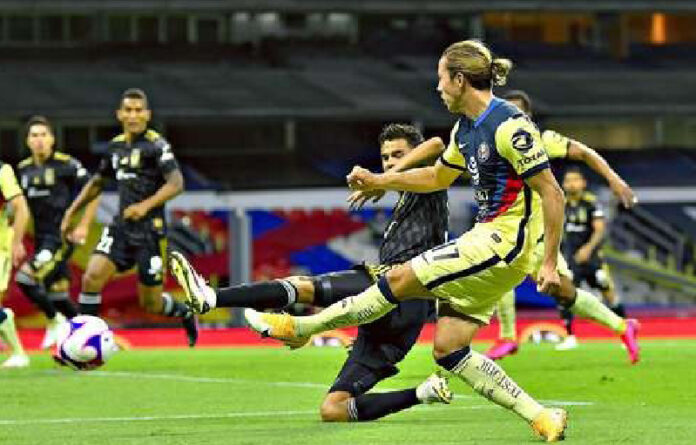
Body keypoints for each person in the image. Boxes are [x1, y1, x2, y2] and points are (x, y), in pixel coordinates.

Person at [243, 40, 570, 441]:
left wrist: (550, 262)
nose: (437, 88)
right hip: (491, 244)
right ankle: (541, 416)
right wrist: (382, 180)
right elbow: (436, 177)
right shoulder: (464, 130)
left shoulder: (509, 124)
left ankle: (304, 326)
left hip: (503, 242)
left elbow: (553, 193)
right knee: (449, 349)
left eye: (441, 79)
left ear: (460, 80)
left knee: (398, 279)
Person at [170, 123, 453, 422]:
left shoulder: (431, 184)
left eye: (398, 154)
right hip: (398, 324)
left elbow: (435, 143)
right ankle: (423, 393)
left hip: (401, 291)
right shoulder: (407, 197)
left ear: (415, 157)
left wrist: (380, 179)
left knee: (304, 287)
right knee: (333, 409)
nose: (391, 162)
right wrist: (384, 181)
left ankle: (214, 298)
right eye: (385, 158)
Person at [485, 90, 638, 359]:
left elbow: (585, 153)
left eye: (517, 112)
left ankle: (622, 325)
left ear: (528, 117)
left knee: (564, 292)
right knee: (499, 272)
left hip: (537, 232)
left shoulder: (542, 140)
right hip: (511, 228)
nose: (509, 117)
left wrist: (613, 179)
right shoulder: (494, 144)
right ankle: (507, 337)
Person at [61, 88, 197, 346]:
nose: (133, 115)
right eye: (128, 110)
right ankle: (83, 343)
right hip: (121, 228)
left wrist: (145, 206)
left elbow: (176, 183)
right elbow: (97, 182)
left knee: (152, 303)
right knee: (91, 277)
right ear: (119, 114)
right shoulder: (115, 147)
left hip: (150, 232)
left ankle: (184, 312)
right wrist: (71, 212)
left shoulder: (157, 145)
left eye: (138, 110)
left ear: (147, 114)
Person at [15, 116, 99, 349]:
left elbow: (96, 188)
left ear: (52, 139)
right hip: (41, 239)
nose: (39, 140)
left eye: (43, 135)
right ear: (27, 141)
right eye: (34, 135)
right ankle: (90, 337)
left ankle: (55, 322)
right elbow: (17, 208)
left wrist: (83, 225)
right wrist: (17, 238)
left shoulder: (66, 165)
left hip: (60, 238)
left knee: (24, 277)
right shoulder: (23, 170)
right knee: (57, 296)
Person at [0, 160, 30, 367]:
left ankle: (19, 353)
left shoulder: (2, 170)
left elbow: (21, 208)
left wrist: (17, 242)